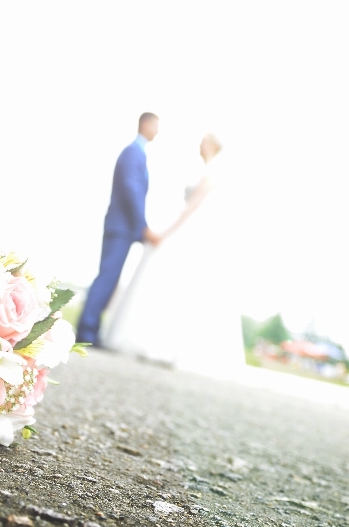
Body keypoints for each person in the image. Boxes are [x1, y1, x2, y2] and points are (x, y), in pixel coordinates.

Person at [101, 133, 246, 379]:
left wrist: (165, 233)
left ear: (211, 145)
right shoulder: (208, 171)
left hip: (185, 228)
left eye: (203, 141)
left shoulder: (211, 172)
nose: (199, 144)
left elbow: (192, 208)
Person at [76, 112, 162, 346]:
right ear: (145, 124)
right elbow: (131, 190)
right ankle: (86, 331)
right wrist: (143, 226)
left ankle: (91, 328)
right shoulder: (133, 152)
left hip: (123, 228)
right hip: (120, 228)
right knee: (107, 277)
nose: (157, 130)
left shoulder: (137, 153)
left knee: (110, 280)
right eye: (155, 125)